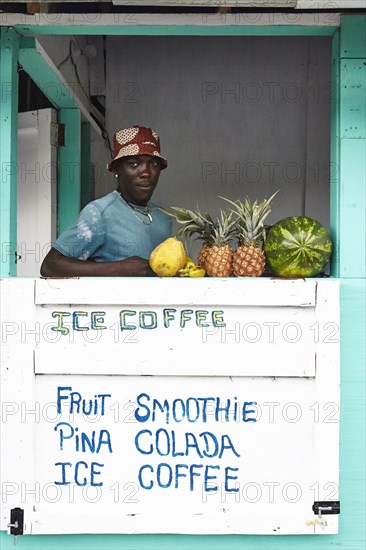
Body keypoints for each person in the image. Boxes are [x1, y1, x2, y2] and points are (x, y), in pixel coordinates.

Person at [40, 126, 172, 277]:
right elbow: (50, 265)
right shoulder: (100, 213)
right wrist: (120, 268)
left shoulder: (164, 217)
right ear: (116, 170)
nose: (146, 173)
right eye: (134, 164)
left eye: (154, 164)